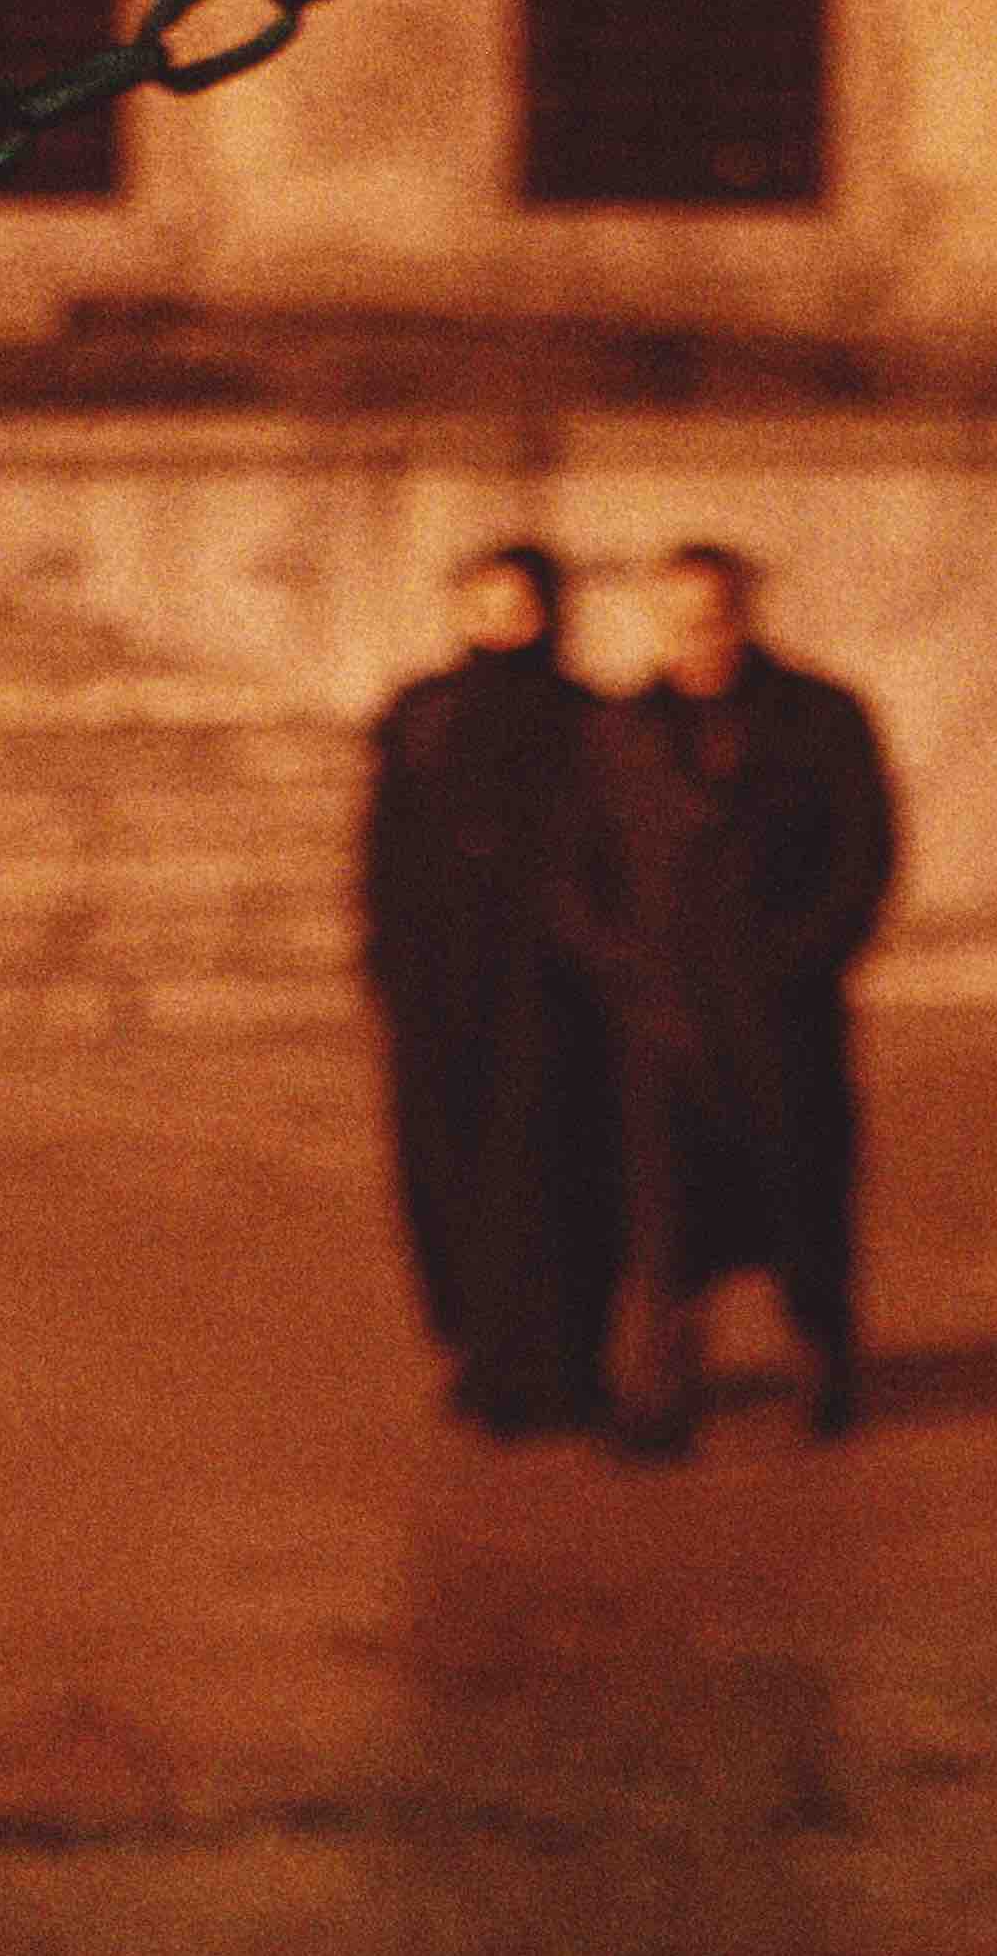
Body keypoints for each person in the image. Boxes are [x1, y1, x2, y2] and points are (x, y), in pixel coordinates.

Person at [575, 543, 901, 1452]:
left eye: (715, 613)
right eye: (679, 616)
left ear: (745, 612)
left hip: (783, 1004)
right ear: (656, 620)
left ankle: (823, 1355)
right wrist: (625, 967)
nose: (700, 634)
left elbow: (864, 853)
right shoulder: (617, 733)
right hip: (664, 1013)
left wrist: (808, 955)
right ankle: (667, 1373)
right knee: (665, 1204)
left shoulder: (823, 717)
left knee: (804, 1187)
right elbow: (575, 873)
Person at [353, 546, 621, 1437]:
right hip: (441, 982)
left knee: (553, 1169)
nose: (499, 621)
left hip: (550, 986)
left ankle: (563, 1363)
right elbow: (385, 847)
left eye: (517, 603)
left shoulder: (588, 720)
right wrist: (387, 960)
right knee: (449, 1164)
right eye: (481, 603)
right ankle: (481, 1352)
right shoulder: (421, 714)